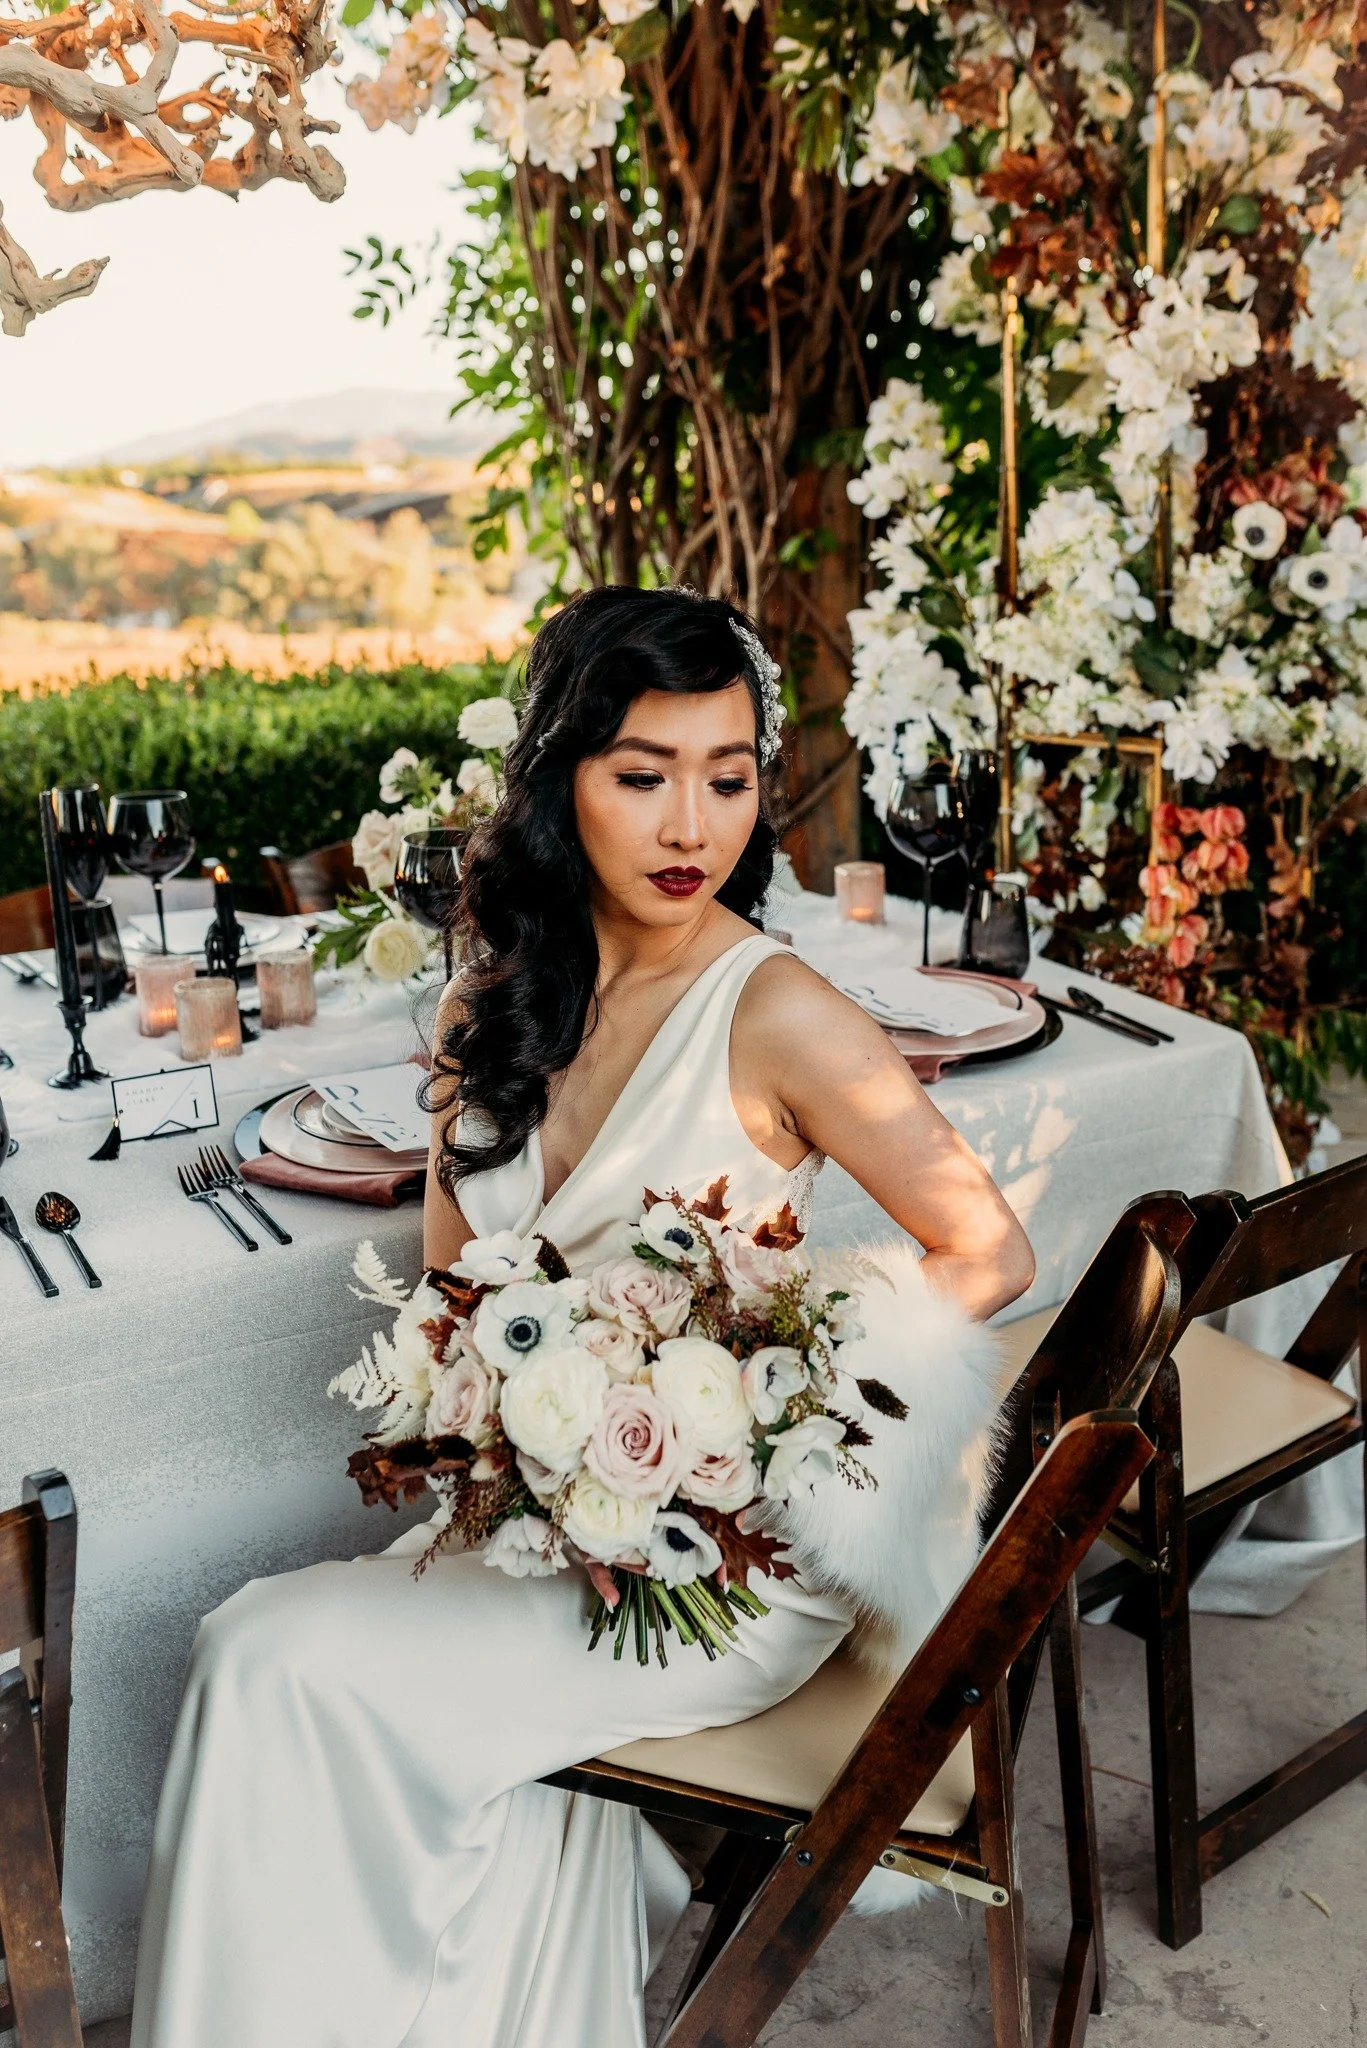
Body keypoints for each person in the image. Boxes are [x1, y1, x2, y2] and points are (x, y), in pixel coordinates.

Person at [130, 586, 1034, 2048]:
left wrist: (735, 1418)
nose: (694, 827)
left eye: (729, 778)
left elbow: (988, 1251)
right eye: (642, 776)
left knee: (264, 1652)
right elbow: (449, 1307)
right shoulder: (489, 1004)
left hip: (713, 1565)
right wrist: (518, 1469)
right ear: (560, 783)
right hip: (537, 1527)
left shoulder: (777, 1008)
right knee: (285, 1661)